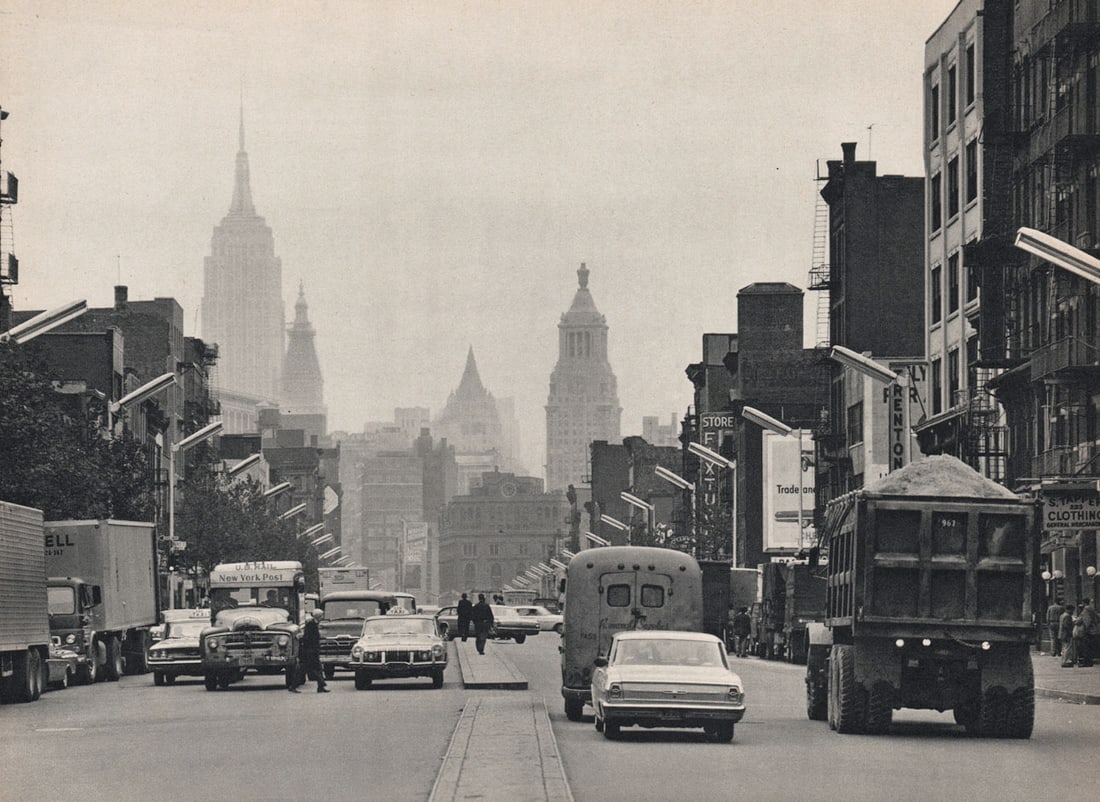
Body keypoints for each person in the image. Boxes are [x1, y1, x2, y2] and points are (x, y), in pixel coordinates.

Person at [290, 608, 329, 693]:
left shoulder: (314, 624)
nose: (322, 617)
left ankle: (321, 686)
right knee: (306, 669)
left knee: (317, 668)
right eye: (321, 615)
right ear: (318, 616)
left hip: (312, 651)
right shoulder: (311, 625)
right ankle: (293, 686)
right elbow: (308, 637)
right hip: (309, 652)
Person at [1076, 598, 1096, 668]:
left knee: (1086, 647)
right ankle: (1090, 661)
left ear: (1084, 602)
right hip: (1093, 630)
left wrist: (1086, 629)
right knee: (1090, 647)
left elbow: (1087, 620)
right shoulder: (1091, 608)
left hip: (1088, 631)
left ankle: (1086, 662)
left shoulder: (1086, 609)